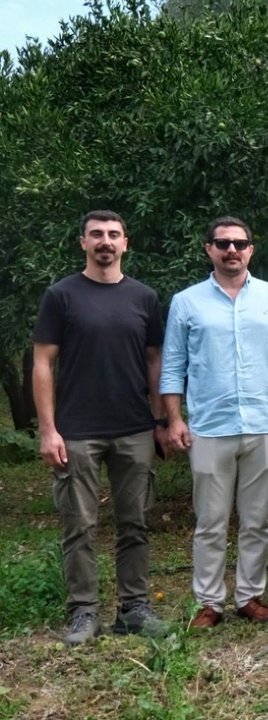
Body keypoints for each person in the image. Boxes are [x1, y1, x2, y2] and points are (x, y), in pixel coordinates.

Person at [32, 210, 170, 645]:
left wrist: (161, 420)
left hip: (134, 427)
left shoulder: (144, 298)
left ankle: (134, 608)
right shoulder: (61, 295)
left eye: (113, 234)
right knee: (79, 526)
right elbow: (42, 362)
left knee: (135, 522)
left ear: (125, 243)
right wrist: (48, 429)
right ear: (83, 242)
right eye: (96, 234)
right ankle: (83, 612)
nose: (105, 241)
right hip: (77, 430)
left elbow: (155, 361)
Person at [160, 216, 268, 629]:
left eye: (240, 243)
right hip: (209, 425)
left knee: (257, 519)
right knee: (210, 521)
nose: (232, 250)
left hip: (265, 423)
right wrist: (174, 419)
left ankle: (249, 596)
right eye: (222, 243)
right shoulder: (187, 302)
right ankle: (209, 603)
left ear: (251, 250)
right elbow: (173, 365)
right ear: (209, 249)